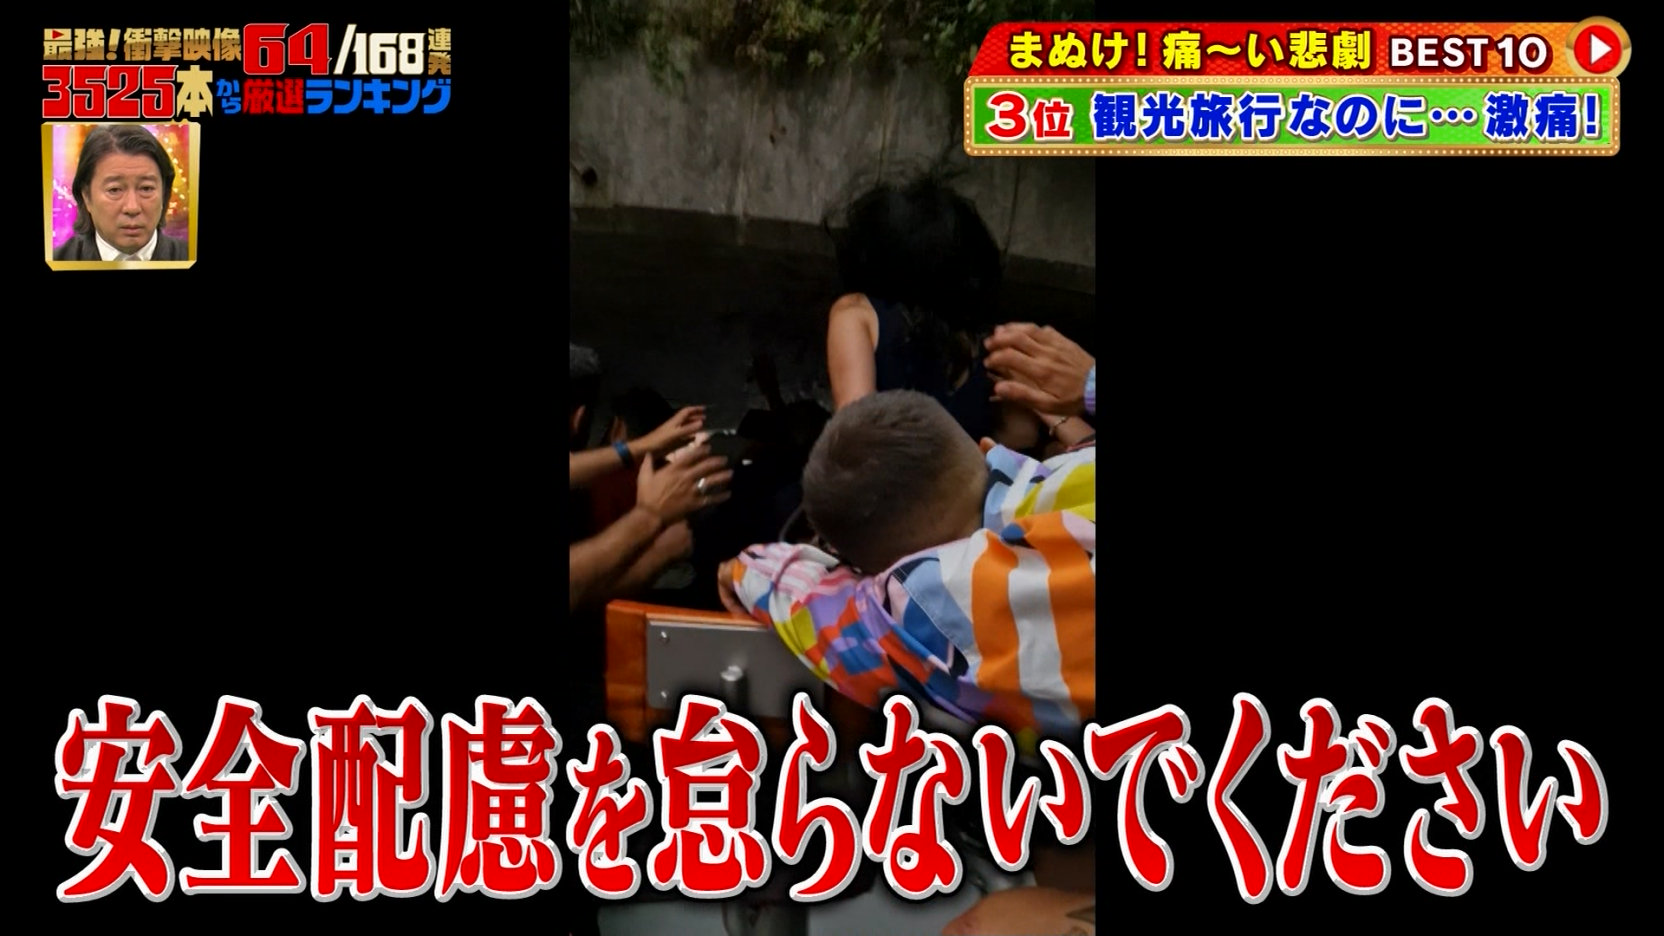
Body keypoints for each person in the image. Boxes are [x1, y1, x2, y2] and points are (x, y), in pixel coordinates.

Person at [717, 389, 1095, 743]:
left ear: (880, 573)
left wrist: (738, 568)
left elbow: (811, 609)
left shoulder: (929, 604)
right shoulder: (1081, 460)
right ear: (986, 448)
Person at [824, 177, 1005, 443]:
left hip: (886, 467)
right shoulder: (980, 342)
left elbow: (856, 434)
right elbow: (1019, 436)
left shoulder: (856, 313)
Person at [54, 125, 189, 261]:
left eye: (146, 188)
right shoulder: (57, 261)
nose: (132, 208)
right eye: (114, 190)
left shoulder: (188, 257)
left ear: (164, 193)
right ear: (86, 197)